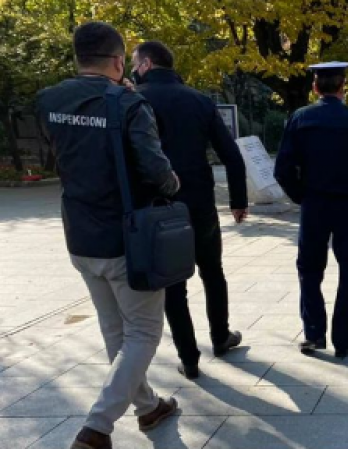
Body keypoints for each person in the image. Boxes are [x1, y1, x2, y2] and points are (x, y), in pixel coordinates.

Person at [36, 22, 180, 449]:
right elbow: (156, 171)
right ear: (119, 62)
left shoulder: (48, 100)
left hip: (79, 236)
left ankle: (149, 407)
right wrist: (172, 182)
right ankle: (97, 428)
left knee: (115, 332)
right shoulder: (127, 103)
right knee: (142, 334)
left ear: (78, 58)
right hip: (127, 240)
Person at [131, 40, 247, 380]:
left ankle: (189, 357)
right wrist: (237, 201)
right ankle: (221, 336)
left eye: (135, 63)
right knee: (212, 271)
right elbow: (231, 154)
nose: (132, 68)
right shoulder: (199, 100)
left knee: (173, 285)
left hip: (155, 207)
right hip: (199, 202)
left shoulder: (134, 100)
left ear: (148, 64)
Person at [274, 62, 348, 358]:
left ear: (315, 87)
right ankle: (343, 340)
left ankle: (313, 334)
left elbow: (282, 169)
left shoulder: (299, 118)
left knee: (309, 269)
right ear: (342, 87)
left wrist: (302, 196)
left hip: (314, 203)